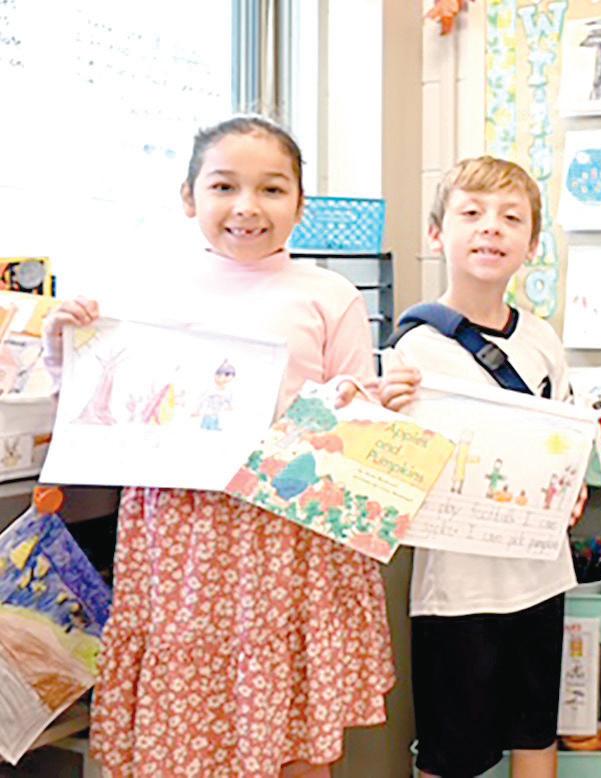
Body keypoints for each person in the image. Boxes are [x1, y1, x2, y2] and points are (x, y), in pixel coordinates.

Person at [42, 116, 394, 777]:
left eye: (272, 189)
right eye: (225, 186)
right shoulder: (146, 292)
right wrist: (65, 348)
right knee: (185, 725)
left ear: (300, 205)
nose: (247, 207)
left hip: (289, 539)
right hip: (182, 542)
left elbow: (358, 419)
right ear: (188, 197)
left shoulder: (329, 295)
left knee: (294, 724)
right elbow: (102, 410)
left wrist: (378, 404)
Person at [370, 156, 584, 778]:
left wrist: (571, 491)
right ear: (437, 233)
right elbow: (389, 476)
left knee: (536, 731)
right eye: (472, 213)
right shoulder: (413, 349)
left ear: (532, 245)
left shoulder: (543, 339)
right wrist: (380, 416)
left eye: (511, 218)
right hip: (456, 592)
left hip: (542, 575)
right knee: (451, 753)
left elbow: (564, 441)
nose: (491, 227)